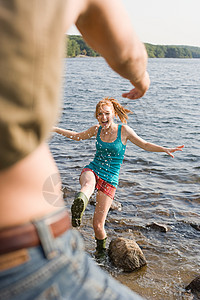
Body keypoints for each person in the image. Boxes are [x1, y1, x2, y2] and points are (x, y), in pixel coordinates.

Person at [0, 0, 150, 299]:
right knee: (90, 189)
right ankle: (85, 211)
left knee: (96, 212)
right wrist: (140, 79)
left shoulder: (120, 130)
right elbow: (127, 52)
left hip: (104, 180)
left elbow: (142, 143)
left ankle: (92, 228)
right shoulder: (99, 129)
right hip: (20, 250)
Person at [53, 97, 184, 256]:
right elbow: (76, 136)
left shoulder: (124, 131)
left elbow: (145, 145)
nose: (103, 117)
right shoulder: (97, 129)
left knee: (98, 225)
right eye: (99, 114)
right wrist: (55, 129)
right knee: (87, 185)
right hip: (93, 169)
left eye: (106, 113)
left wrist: (165, 149)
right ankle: (78, 207)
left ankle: (100, 254)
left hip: (110, 180)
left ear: (114, 114)